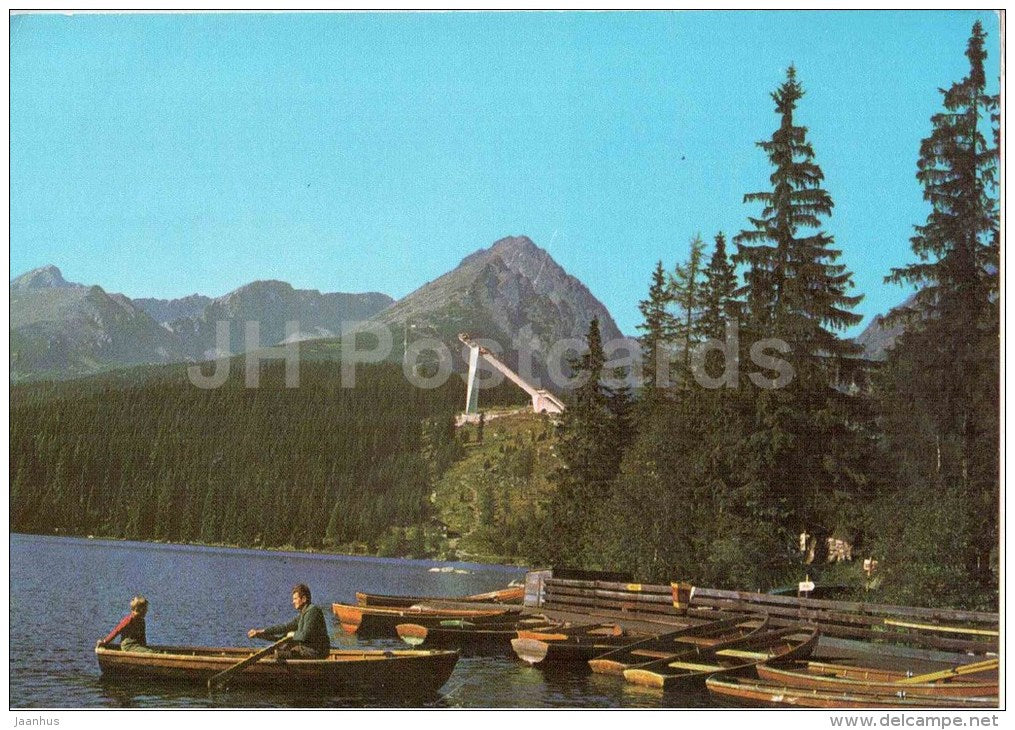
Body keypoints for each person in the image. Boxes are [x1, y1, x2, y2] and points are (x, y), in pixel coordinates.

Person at [248, 583, 330, 659]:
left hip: (316, 652)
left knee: (279, 654)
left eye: (295, 599)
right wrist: (261, 632)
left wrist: (293, 634)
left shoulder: (313, 611)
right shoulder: (303, 613)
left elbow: (305, 636)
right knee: (281, 647)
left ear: (304, 599)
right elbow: (285, 627)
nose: (293, 602)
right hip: (307, 649)